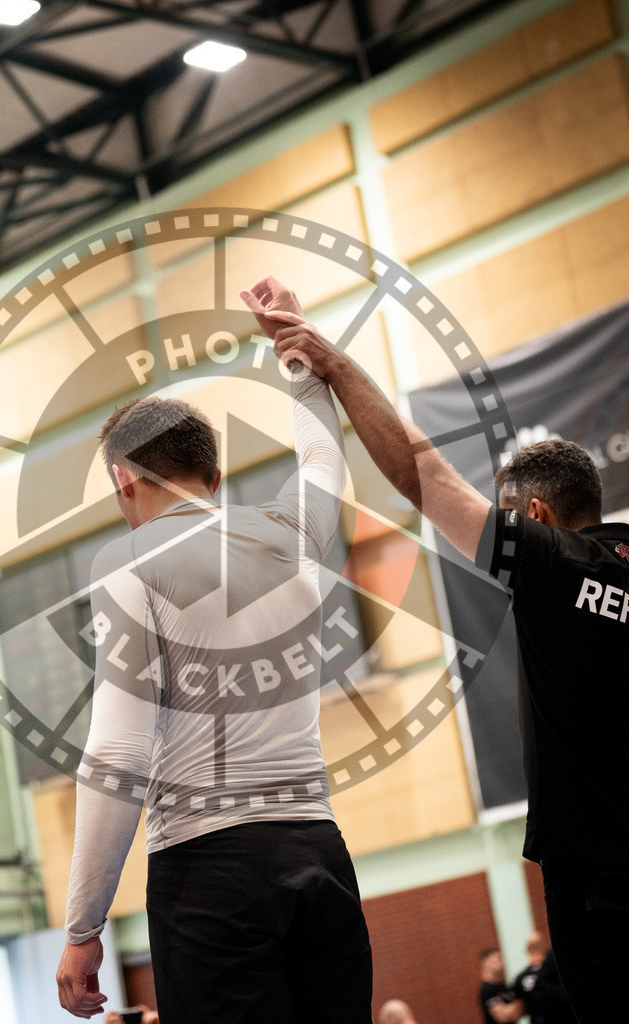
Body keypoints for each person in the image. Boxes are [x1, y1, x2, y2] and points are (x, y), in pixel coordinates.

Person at [250, 277, 629, 1024]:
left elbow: (423, 478)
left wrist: (331, 364)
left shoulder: (555, 563)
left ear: (537, 516)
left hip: (600, 877)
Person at [55, 281, 373, 1023]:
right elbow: (324, 457)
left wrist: (82, 928)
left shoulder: (128, 562)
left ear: (122, 478)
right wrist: (294, 357)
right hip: (320, 855)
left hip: (210, 873)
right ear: (215, 475)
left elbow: (119, 751)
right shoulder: (290, 532)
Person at [478, 948, 518, 1024]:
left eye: (502, 959)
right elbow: (503, 1017)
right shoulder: (486, 990)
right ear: (486, 964)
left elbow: (517, 1015)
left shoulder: (504, 986)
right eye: (497, 960)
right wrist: (519, 1005)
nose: (501, 963)